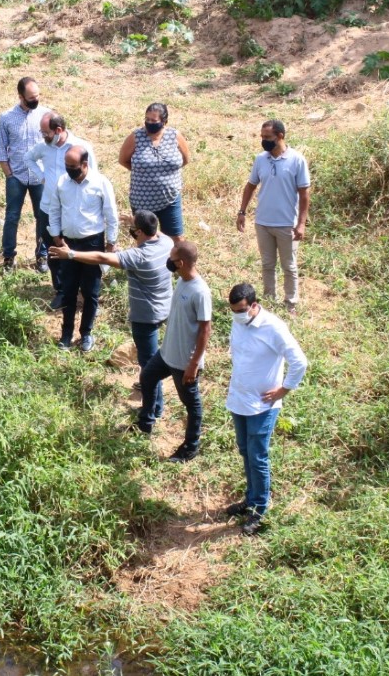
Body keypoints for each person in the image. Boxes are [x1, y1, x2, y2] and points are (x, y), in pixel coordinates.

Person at [48, 210, 172, 396]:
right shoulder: (166, 243)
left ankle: (152, 409)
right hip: (165, 308)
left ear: (139, 232)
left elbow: (102, 258)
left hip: (146, 316)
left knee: (148, 360)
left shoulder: (139, 257)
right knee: (150, 356)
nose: (130, 228)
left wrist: (71, 254)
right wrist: (136, 221)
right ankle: (149, 384)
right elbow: (156, 231)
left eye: (133, 226)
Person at [224, 282, 308, 535]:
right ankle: (250, 499)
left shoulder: (273, 327)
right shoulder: (239, 322)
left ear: (254, 305)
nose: (237, 314)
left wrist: (283, 389)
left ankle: (259, 509)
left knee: (258, 455)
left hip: (263, 405)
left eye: (241, 309)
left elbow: (300, 362)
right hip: (240, 400)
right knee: (245, 451)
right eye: (233, 310)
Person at [130, 241, 211, 463]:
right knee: (147, 377)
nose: (169, 262)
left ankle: (190, 447)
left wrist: (193, 364)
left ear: (181, 263)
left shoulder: (200, 291)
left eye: (172, 259)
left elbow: (205, 330)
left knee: (191, 405)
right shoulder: (182, 281)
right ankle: (145, 422)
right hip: (167, 353)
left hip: (184, 362)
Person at [47, 146, 118, 353]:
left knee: (91, 292)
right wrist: (56, 237)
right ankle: (66, 334)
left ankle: (86, 333)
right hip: (68, 243)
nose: (69, 170)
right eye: (67, 166)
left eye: (73, 167)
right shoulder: (62, 182)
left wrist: (111, 245)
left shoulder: (100, 183)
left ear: (85, 164)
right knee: (68, 290)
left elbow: (111, 215)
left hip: (93, 243)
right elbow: (54, 209)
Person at [236, 119, 311, 314]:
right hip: (263, 222)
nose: (264, 141)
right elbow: (250, 186)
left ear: (280, 136)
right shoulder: (261, 159)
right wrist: (242, 211)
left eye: (267, 137)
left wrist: (301, 223)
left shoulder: (297, 160)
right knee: (268, 264)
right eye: (262, 137)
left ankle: (291, 303)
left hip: (287, 224)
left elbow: (304, 194)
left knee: (289, 266)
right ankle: (269, 301)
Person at [28, 113, 98, 310]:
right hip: (48, 208)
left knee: (77, 249)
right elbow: (28, 158)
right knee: (53, 251)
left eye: (46, 133)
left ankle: (84, 293)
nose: (43, 136)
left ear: (58, 131)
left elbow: (94, 177)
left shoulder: (81, 147)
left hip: (72, 208)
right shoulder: (44, 148)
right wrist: (42, 176)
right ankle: (61, 290)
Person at [0, 76, 51, 274]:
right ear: (20, 97)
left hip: (40, 177)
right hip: (16, 176)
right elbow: (1, 150)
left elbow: (53, 145)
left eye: (37, 96)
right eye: (30, 97)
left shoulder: (46, 115)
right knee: (12, 217)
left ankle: (42, 255)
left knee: (43, 217)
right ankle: (9, 257)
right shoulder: (6, 117)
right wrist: (9, 175)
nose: (35, 100)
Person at [118, 102, 191, 239]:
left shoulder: (174, 136)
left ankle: (172, 261)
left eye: (154, 120)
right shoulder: (136, 137)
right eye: (147, 119)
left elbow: (185, 159)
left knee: (177, 239)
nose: (149, 123)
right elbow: (123, 160)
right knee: (146, 239)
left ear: (164, 121)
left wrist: (166, 174)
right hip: (142, 201)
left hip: (170, 198)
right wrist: (143, 172)